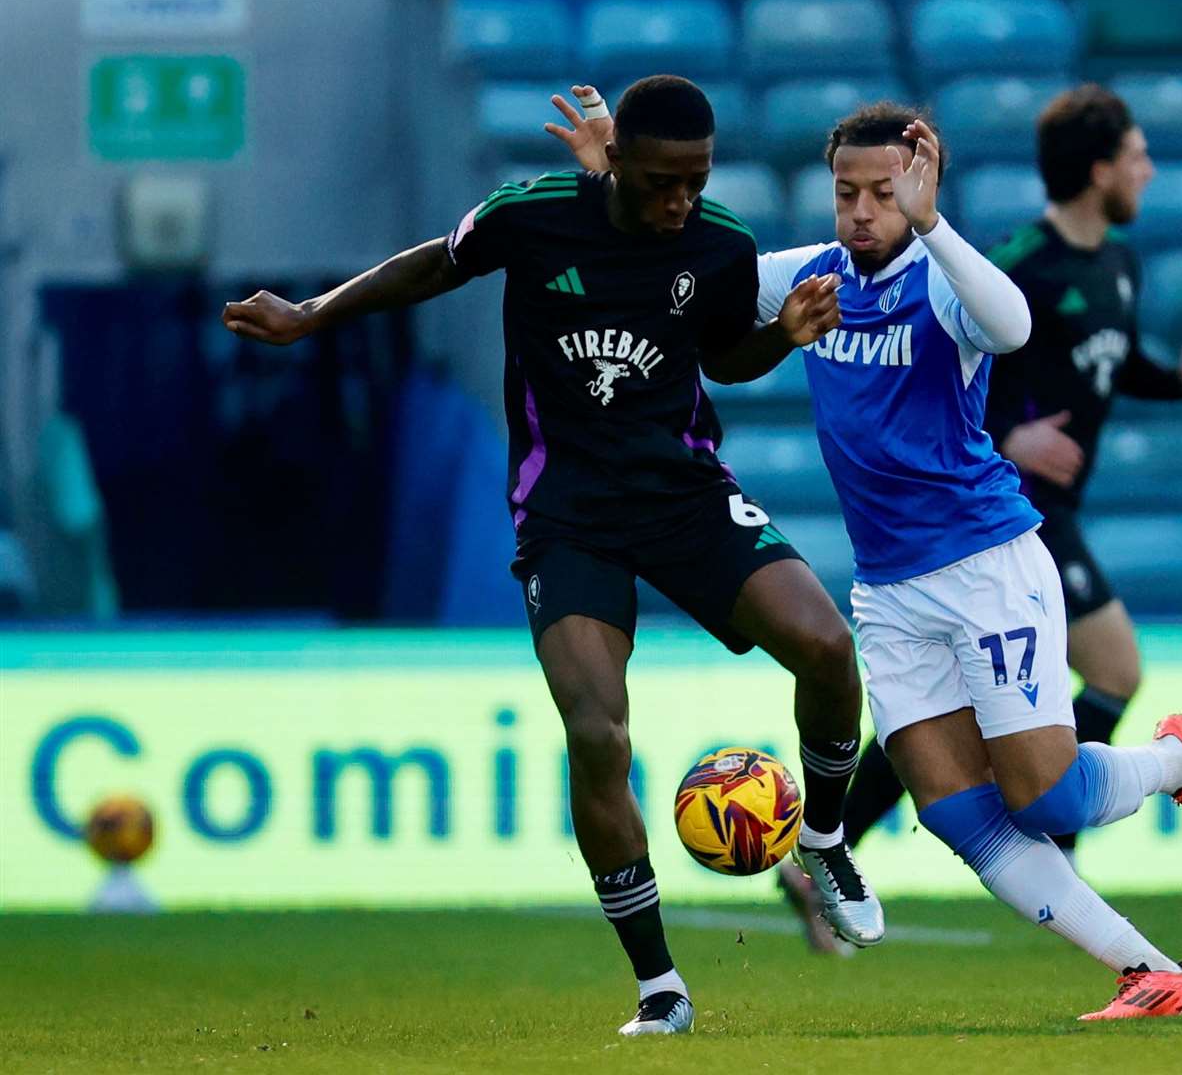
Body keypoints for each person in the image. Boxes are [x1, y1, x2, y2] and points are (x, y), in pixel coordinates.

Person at [555, 89, 1182, 1021]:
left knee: (1042, 795)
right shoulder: (814, 274)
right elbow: (694, 274)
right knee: (955, 812)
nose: (859, 212)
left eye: (881, 194)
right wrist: (611, 181)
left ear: (918, 189)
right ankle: (1150, 971)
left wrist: (934, 226)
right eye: (846, 192)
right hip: (889, 589)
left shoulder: (942, 277)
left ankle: (1176, 760)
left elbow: (1013, 328)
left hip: (986, 565)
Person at [220, 75, 884, 1038]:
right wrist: (313, 315)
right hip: (566, 513)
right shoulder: (531, 218)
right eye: (661, 181)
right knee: (599, 736)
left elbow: (723, 356)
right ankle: (660, 986)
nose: (679, 202)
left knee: (828, 646)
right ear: (615, 162)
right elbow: (427, 268)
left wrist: (779, 337)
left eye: (694, 180)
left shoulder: (722, 244)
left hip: (684, 496)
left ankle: (822, 839)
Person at [837, 83, 1182, 863]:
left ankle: (837, 851)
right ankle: (1050, 835)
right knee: (1114, 667)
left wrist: (1177, 381)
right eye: (1138, 156)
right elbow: (951, 372)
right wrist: (1010, 436)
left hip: (1050, 512)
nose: (1149, 172)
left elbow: (1109, 366)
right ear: (1098, 170)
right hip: (1008, 514)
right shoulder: (1021, 263)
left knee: (945, 711)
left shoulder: (1118, 263)